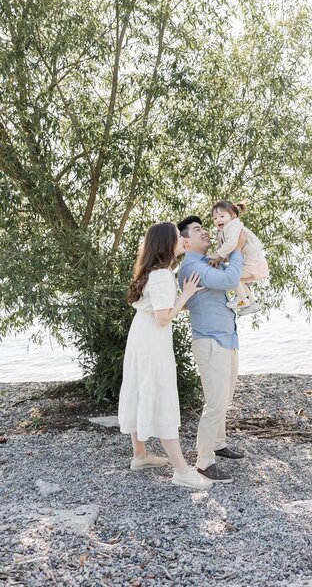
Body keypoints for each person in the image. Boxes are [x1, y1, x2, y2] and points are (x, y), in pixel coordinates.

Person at [118, 222, 212, 491]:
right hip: (152, 342)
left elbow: (158, 311)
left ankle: (140, 455)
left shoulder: (155, 271)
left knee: (140, 389)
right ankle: (182, 470)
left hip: (141, 338)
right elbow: (163, 318)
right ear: (166, 243)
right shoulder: (161, 275)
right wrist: (187, 294)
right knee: (159, 393)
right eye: (177, 236)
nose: (182, 239)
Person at [177, 215, 247, 484]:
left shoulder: (209, 262)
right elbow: (230, 280)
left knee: (224, 398)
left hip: (227, 338)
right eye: (197, 230)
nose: (204, 232)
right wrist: (237, 250)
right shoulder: (191, 268)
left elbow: (237, 276)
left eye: (203, 228)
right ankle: (204, 461)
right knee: (216, 402)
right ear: (186, 241)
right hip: (209, 341)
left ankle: (218, 443)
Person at [207, 200, 269, 315]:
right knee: (239, 280)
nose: (218, 220)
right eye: (215, 218)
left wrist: (217, 256)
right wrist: (218, 258)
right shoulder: (221, 232)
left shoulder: (234, 226)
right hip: (249, 262)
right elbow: (223, 249)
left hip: (253, 262)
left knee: (233, 276)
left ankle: (242, 300)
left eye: (222, 216)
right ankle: (252, 304)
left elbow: (230, 244)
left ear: (233, 217)